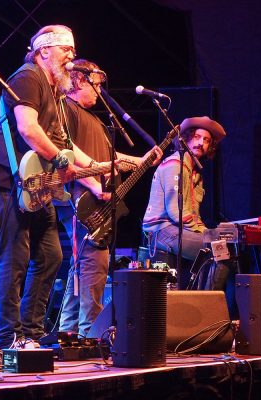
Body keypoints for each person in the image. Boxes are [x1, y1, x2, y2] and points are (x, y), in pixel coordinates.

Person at [0, 25, 109, 350]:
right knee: (15, 259)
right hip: (10, 185)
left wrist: (99, 165)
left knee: (51, 255)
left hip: (37, 188)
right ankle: (8, 338)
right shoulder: (28, 77)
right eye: (66, 49)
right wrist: (65, 165)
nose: (71, 57)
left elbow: (64, 143)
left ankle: (30, 334)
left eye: (73, 50)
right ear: (44, 51)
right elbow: (27, 129)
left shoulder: (56, 95)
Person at [56, 59, 162, 338]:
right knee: (95, 263)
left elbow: (112, 160)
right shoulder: (66, 109)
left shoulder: (97, 122)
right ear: (79, 80)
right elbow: (64, 150)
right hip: (81, 198)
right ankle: (89, 334)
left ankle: (70, 332)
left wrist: (142, 161)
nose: (100, 91)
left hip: (96, 198)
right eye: (97, 84)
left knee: (84, 266)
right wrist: (92, 184)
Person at [142, 116, 227, 291]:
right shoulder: (175, 164)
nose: (201, 143)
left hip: (177, 230)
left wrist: (208, 232)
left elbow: (194, 216)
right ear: (186, 138)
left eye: (206, 140)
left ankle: (198, 304)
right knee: (219, 250)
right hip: (161, 230)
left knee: (223, 248)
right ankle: (206, 306)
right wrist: (207, 234)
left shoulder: (195, 173)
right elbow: (175, 212)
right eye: (197, 137)